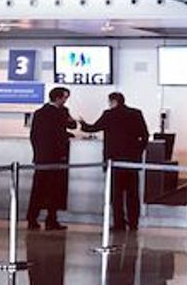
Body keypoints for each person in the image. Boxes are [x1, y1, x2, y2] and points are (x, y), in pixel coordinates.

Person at [80, 92, 149, 232]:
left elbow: (92, 128)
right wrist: (137, 152)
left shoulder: (109, 114)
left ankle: (119, 223)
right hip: (131, 162)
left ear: (113, 101)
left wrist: (81, 123)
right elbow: (145, 135)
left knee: (116, 195)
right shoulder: (136, 113)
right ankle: (134, 223)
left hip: (114, 162)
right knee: (132, 194)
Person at [27, 87, 77, 231]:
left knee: (39, 189)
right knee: (53, 189)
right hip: (56, 157)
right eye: (65, 98)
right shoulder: (61, 113)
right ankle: (51, 219)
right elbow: (70, 126)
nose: (65, 101)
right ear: (58, 98)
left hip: (42, 157)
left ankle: (33, 218)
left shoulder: (39, 113)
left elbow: (34, 135)